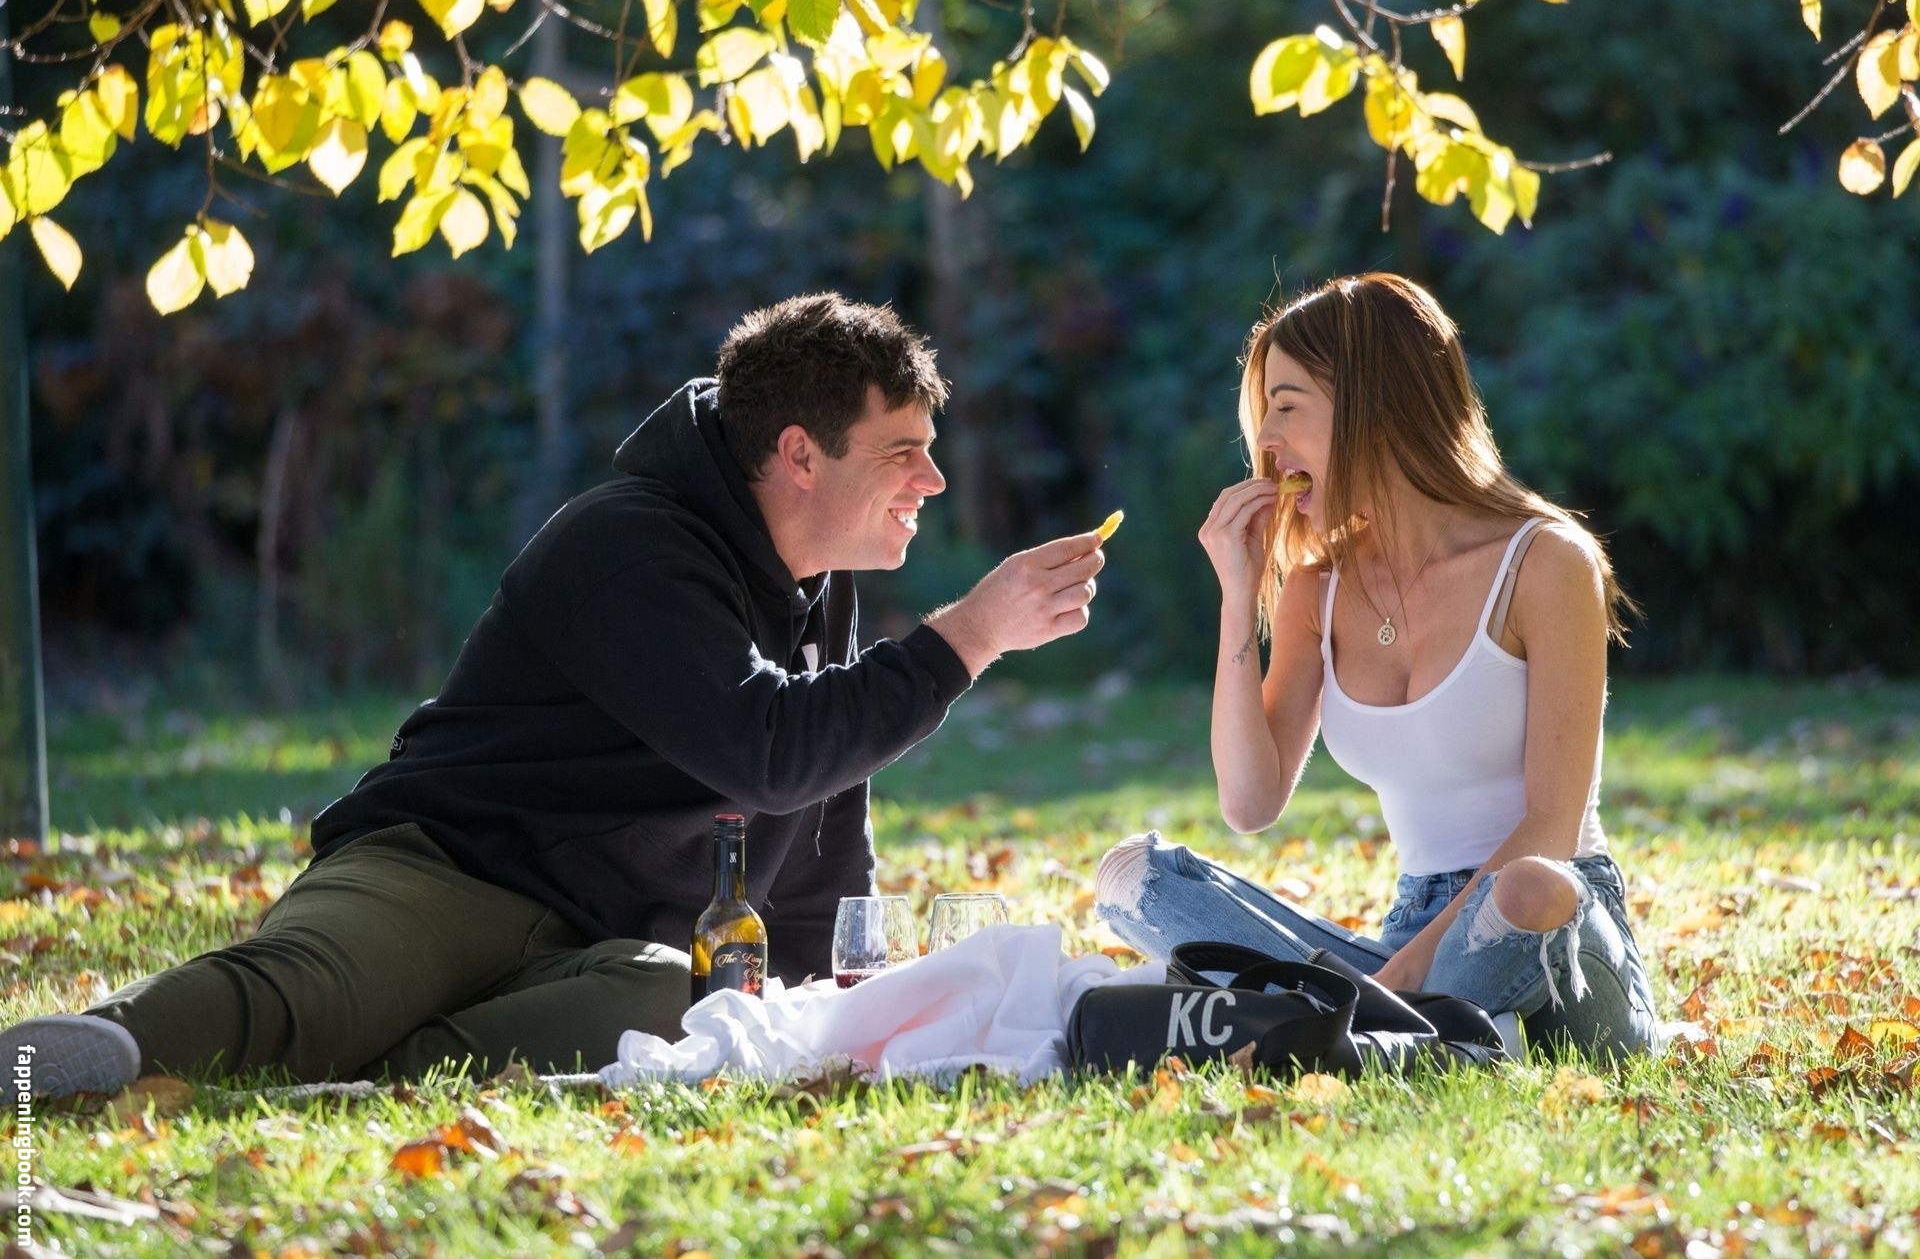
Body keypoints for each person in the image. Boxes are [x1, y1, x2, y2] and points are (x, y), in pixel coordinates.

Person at [4, 293, 1107, 1098]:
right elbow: (767, 749)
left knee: (679, 1003)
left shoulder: (822, 588)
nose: (933, 480)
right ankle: (66, 1056)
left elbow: (820, 817)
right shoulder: (629, 545)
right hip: (446, 870)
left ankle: (364, 1073)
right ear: (800, 455)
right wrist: (971, 635)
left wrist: (825, 1007)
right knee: (314, 987)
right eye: (903, 452)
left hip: (595, 941)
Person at [1094, 273, 1657, 1060]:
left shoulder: (1545, 562)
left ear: (1375, 402)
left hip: (1550, 928)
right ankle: (1425, 1040)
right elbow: (1249, 801)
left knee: (1530, 885)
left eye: (1286, 407)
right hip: (1407, 940)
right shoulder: (1317, 588)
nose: (1266, 443)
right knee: (1136, 876)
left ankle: (1362, 1029)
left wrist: (1395, 980)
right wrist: (1238, 595)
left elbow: (1552, 828)